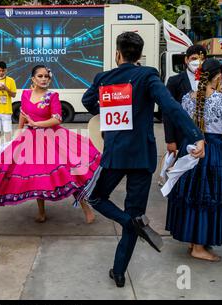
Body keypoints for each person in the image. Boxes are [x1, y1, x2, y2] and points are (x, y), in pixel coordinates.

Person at [82, 32, 205, 288]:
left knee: (95, 197)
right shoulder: (147, 75)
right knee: (134, 213)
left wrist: (106, 111)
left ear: (118, 54)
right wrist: (196, 135)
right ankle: (121, 265)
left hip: (115, 153)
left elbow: (87, 101)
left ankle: (126, 242)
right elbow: (170, 107)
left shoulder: (104, 77)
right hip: (141, 155)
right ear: (139, 55)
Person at [0, 65, 100, 224]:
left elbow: (57, 118)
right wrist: (18, 132)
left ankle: (86, 209)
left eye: (46, 76)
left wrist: (36, 123)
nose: (43, 79)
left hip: (53, 138)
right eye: (40, 76)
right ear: (33, 79)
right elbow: (23, 114)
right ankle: (41, 212)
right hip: (31, 139)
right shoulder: (26, 94)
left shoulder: (52, 96)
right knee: (37, 178)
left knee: (71, 173)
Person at [166, 58, 222, 262]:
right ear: (219, 76)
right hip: (213, 153)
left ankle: (193, 242)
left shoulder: (188, 98)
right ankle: (198, 246)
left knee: (193, 197)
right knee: (207, 198)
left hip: (190, 152)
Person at [163, 45, 207, 155]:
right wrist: (170, 140)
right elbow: (168, 111)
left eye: (200, 59)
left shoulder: (209, 80)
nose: (197, 62)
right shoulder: (175, 81)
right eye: (193, 59)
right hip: (182, 135)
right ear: (186, 60)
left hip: (205, 136)